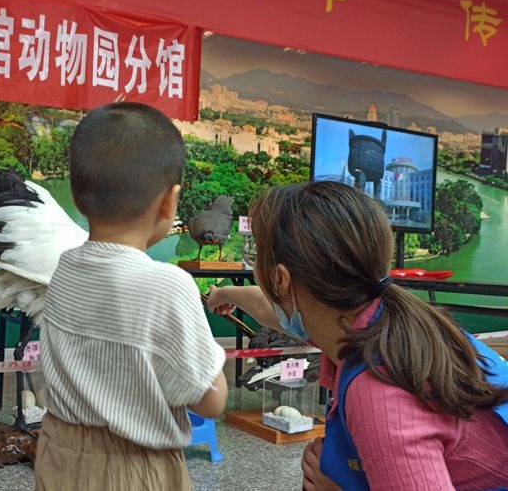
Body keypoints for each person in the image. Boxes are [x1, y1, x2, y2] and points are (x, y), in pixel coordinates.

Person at [207, 181, 508, 491]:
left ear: (280, 278)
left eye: (254, 254)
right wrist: (223, 294)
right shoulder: (383, 321)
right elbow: (273, 308)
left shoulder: (380, 391)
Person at [35, 102, 228, 491]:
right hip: (135, 468)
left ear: (75, 195)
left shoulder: (64, 270)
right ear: (168, 202)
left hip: (58, 456)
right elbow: (210, 401)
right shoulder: (168, 284)